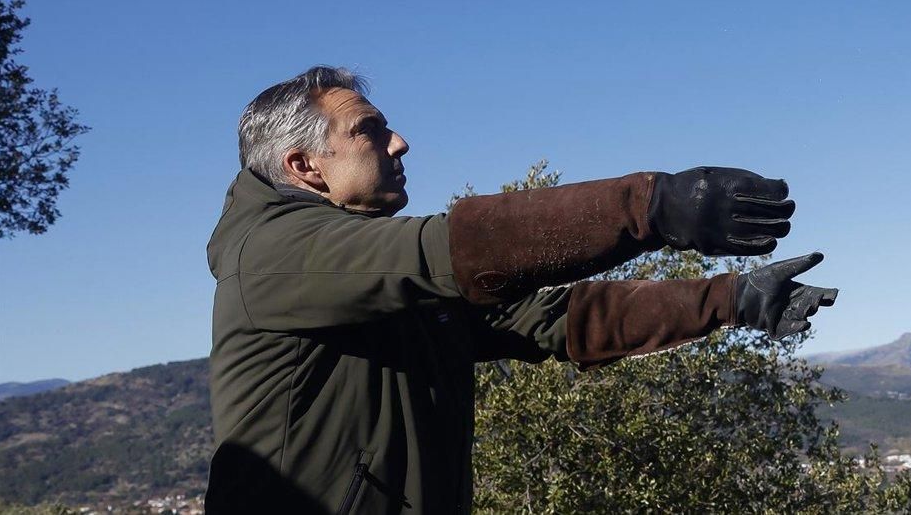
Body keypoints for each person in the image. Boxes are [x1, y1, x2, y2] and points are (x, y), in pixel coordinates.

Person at [205, 66, 837, 514]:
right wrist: (652, 206)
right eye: (368, 130)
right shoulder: (269, 253)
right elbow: (449, 250)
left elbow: (552, 318)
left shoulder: (365, 267)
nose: (400, 142)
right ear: (303, 166)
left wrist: (732, 299)